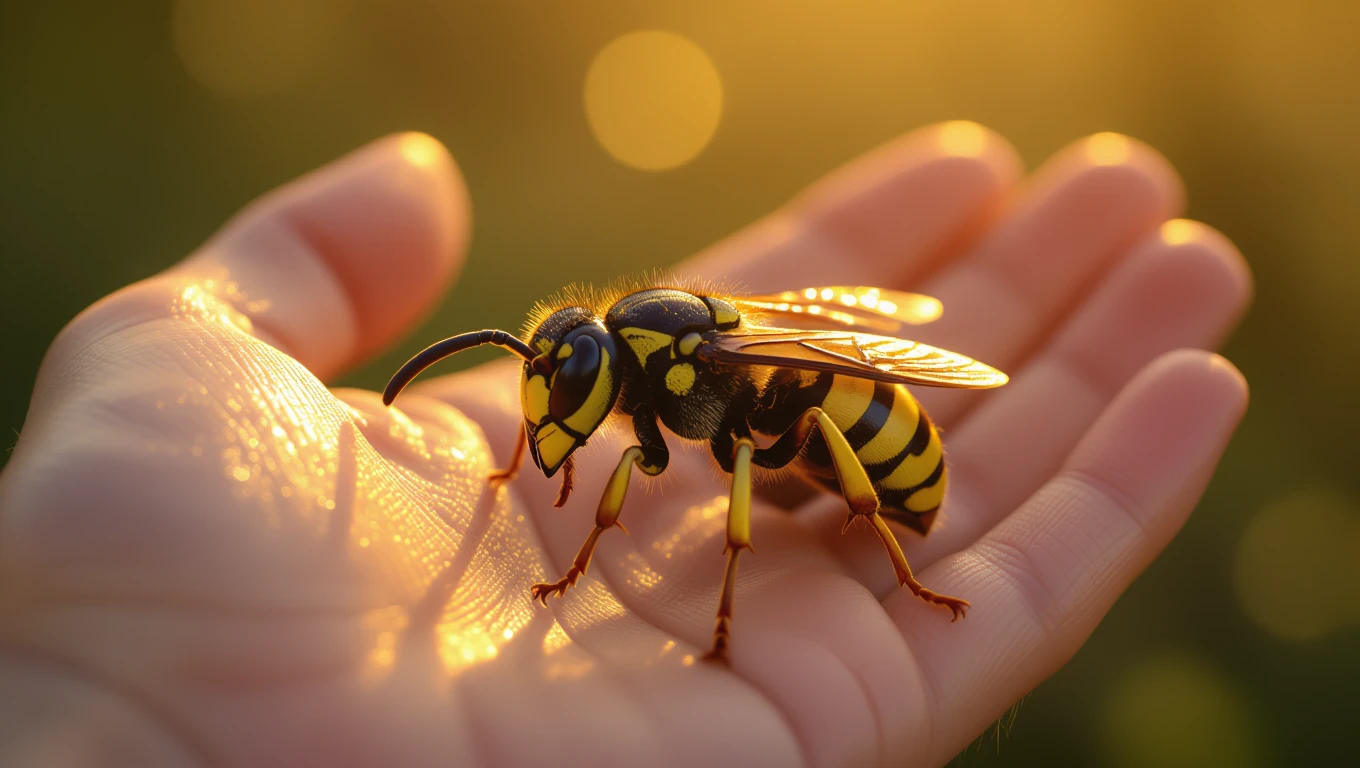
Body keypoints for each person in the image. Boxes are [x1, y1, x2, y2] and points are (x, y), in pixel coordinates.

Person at [0, 124, 1250, 767]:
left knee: (785, 430)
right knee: (771, 433)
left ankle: (891, 544)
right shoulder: (630, 378)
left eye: (569, 388)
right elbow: (605, 435)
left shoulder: (683, 379)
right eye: (560, 389)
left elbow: (772, 415)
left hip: (862, 435)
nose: (563, 409)